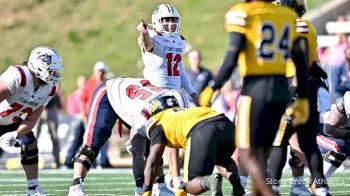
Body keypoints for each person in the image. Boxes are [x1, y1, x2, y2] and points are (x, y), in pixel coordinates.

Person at [199, 0, 310, 195]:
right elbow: (300, 60)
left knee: (247, 152)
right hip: (281, 89)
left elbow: (232, 55)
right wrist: (302, 95)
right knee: (263, 152)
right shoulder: (287, 16)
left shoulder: (244, 13)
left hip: (256, 88)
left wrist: (213, 86)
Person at [68, 77, 190, 196]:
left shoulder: (180, 102)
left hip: (135, 97)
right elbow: (137, 153)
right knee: (93, 143)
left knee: (153, 143)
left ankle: (160, 186)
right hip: (109, 93)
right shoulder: (143, 118)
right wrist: (140, 187)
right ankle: (75, 186)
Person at [267, 1, 331, 195]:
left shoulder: (288, 27)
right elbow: (315, 64)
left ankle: (273, 186)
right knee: (309, 141)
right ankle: (320, 187)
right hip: (308, 86)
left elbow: (299, 61)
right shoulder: (307, 24)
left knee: (279, 140)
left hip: (291, 85)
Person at [143, 95, 245, 196]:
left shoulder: (158, 120)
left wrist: (146, 191)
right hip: (227, 125)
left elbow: (153, 162)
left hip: (202, 130)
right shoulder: (186, 112)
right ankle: (238, 186)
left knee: (191, 184)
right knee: (222, 159)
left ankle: (210, 181)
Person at [0, 46, 63, 196]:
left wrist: (15, 134)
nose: (55, 74)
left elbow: (31, 120)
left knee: (29, 144)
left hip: (10, 122)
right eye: (51, 70)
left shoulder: (49, 89)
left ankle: (33, 188)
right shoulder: (19, 76)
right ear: (40, 67)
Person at [137, 3, 199, 106]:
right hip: (154, 92)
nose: (171, 24)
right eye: (166, 20)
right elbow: (148, 46)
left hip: (176, 93)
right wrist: (143, 32)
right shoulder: (153, 36)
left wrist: (192, 93)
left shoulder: (180, 40)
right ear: (157, 21)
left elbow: (180, 70)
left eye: (173, 20)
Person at [79, 61, 111, 168]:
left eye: (102, 71)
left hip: (102, 117)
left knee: (103, 140)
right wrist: (83, 115)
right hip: (90, 117)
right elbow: (82, 101)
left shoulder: (106, 84)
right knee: (89, 141)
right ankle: (90, 162)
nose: (100, 73)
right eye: (99, 70)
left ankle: (102, 162)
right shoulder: (89, 84)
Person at [64, 75, 86, 168]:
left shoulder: (87, 93)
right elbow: (71, 109)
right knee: (74, 139)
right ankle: (69, 159)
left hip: (85, 119)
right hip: (77, 119)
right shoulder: (75, 95)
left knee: (84, 141)